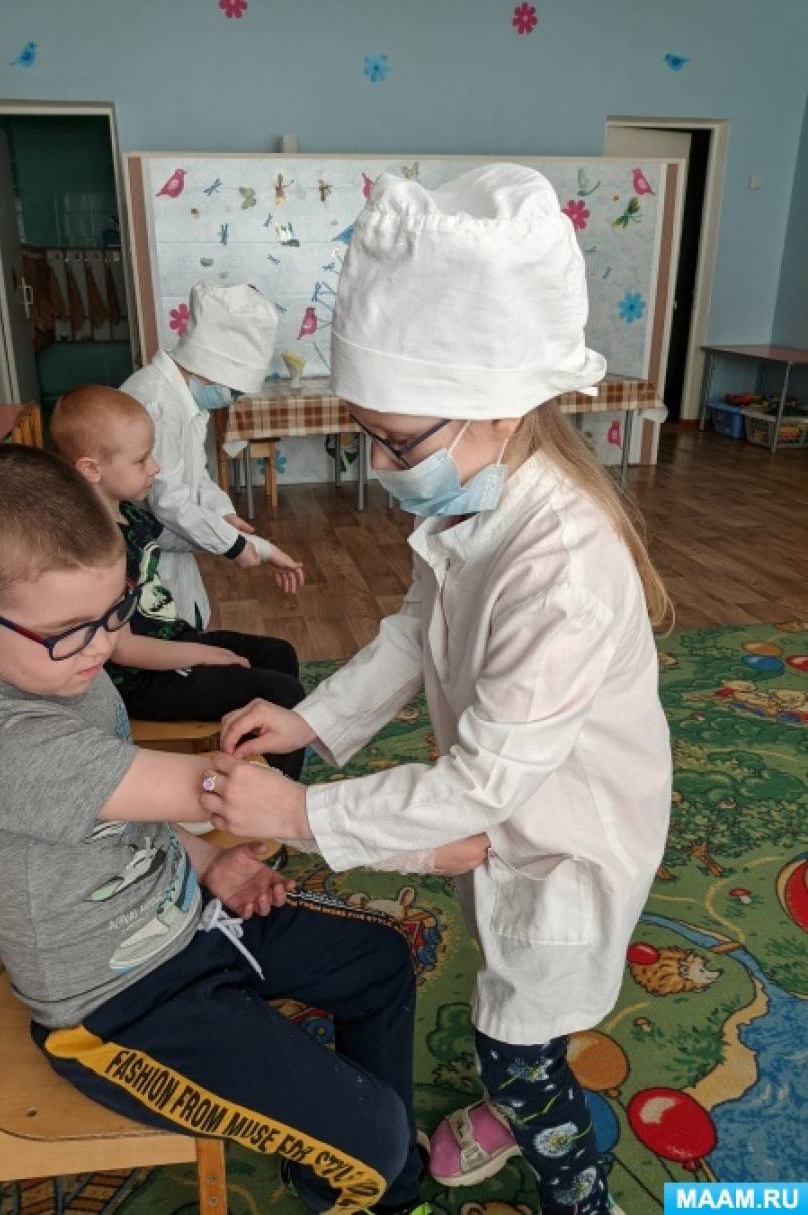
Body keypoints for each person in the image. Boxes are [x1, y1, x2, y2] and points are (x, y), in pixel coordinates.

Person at [192, 164, 673, 1215]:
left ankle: (576, 1184)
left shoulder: (562, 569)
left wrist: (299, 813)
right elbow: (417, 629)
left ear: (498, 410)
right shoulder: (472, 502)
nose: (378, 463)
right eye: (367, 431)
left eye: (396, 439)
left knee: (519, 1033)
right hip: (509, 813)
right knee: (513, 979)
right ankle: (517, 1096)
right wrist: (312, 718)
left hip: (568, 836)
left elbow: (483, 784)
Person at [0, 443, 489, 1215]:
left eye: (112, 612)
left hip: (184, 921)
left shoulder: (64, 674)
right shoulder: (5, 747)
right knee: (380, 1137)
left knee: (380, 960)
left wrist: (203, 861)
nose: (100, 646)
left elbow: (116, 815)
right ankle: (377, 1177)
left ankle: (347, 1165)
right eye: (67, 631)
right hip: (121, 1009)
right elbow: (211, 790)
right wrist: (415, 846)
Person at [51, 383, 306, 779]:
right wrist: (203, 655)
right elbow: (124, 650)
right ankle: (264, 793)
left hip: (171, 642)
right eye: (141, 460)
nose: (154, 467)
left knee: (280, 655)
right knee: (282, 694)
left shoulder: (130, 515)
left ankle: (259, 767)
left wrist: (258, 548)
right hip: (141, 680)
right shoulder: (92, 547)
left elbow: (183, 538)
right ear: (91, 470)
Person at [121, 281, 303, 628]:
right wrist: (236, 545)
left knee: (191, 622)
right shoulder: (156, 403)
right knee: (171, 634)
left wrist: (223, 513)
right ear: (209, 368)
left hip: (173, 541)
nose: (231, 400)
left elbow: (196, 474)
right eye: (233, 391)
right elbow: (169, 502)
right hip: (151, 544)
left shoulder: (185, 398)